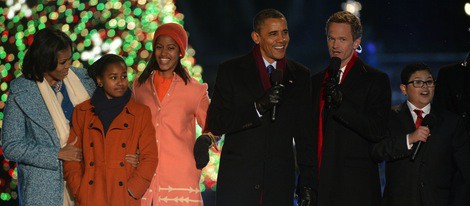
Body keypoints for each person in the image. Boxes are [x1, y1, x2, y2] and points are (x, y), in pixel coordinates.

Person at [206, 8, 316, 205]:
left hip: (278, 189)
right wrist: (257, 107)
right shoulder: (231, 71)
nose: (281, 39)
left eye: (285, 32)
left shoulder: (300, 76)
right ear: (256, 37)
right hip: (238, 186)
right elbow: (216, 123)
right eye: (273, 34)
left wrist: (307, 184)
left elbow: (305, 136)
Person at [1, 27, 95, 206]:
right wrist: (57, 154)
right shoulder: (21, 92)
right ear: (45, 61)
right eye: (62, 62)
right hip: (45, 190)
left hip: (89, 180)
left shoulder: (84, 79)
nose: (68, 65)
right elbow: (11, 146)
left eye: (70, 59)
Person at [310, 11, 391, 206]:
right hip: (319, 184)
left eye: (342, 39)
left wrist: (341, 105)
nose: (335, 45)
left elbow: (378, 130)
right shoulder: (315, 82)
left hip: (355, 187)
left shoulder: (375, 80)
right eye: (331, 38)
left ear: (356, 42)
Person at [63, 54, 158, 205]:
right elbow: (72, 158)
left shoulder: (140, 113)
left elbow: (150, 156)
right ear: (100, 81)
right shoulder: (83, 112)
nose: (121, 83)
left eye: (124, 76)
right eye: (113, 78)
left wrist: (134, 189)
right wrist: (80, 191)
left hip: (124, 197)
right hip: (91, 196)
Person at [132, 23, 211, 206]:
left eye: (171, 47)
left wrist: (206, 141)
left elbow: (213, 125)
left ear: (181, 51)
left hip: (180, 180)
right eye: (159, 47)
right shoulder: (139, 86)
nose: (164, 53)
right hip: (144, 177)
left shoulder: (195, 90)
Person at [372, 63, 470, 206]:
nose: (425, 86)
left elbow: (464, 171)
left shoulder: (452, 122)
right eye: (418, 82)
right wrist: (409, 139)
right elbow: (377, 151)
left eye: (429, 82)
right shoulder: (389, 117)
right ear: (404, 88)